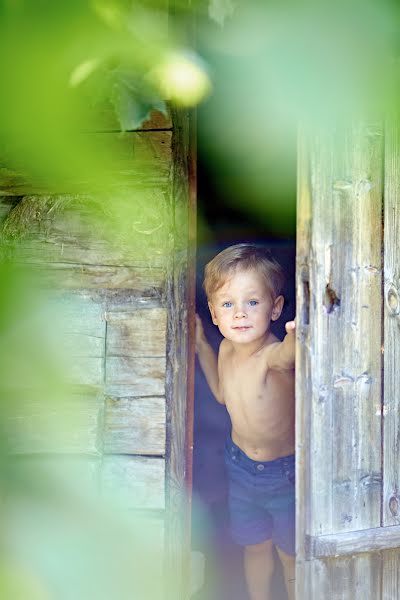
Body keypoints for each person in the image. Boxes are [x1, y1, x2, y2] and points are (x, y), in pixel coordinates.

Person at [195, 243, 296, 600]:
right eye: (228, 304)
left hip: (283, 473)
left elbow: (291, 354)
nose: (240, 313)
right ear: (215, 313)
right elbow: (222, 395)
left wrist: (299, 334)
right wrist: (202, 345)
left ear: (276, 308)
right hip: (239, 467)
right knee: (254, 546)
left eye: (252, 302)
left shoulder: (273, 357)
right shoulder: (225, 348)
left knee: (289, 553)